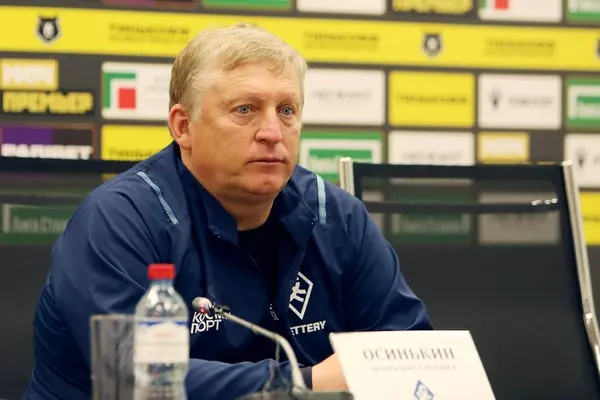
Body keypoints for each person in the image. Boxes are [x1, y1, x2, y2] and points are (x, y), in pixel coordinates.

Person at [23, 23, 432, 400]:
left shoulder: (337, 216)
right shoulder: (118, 220)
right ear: (183, 127)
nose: (272, 132)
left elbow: (412, 350)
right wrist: (303, 383)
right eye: (245, 109)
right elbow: (136, 377)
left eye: (286, 110)